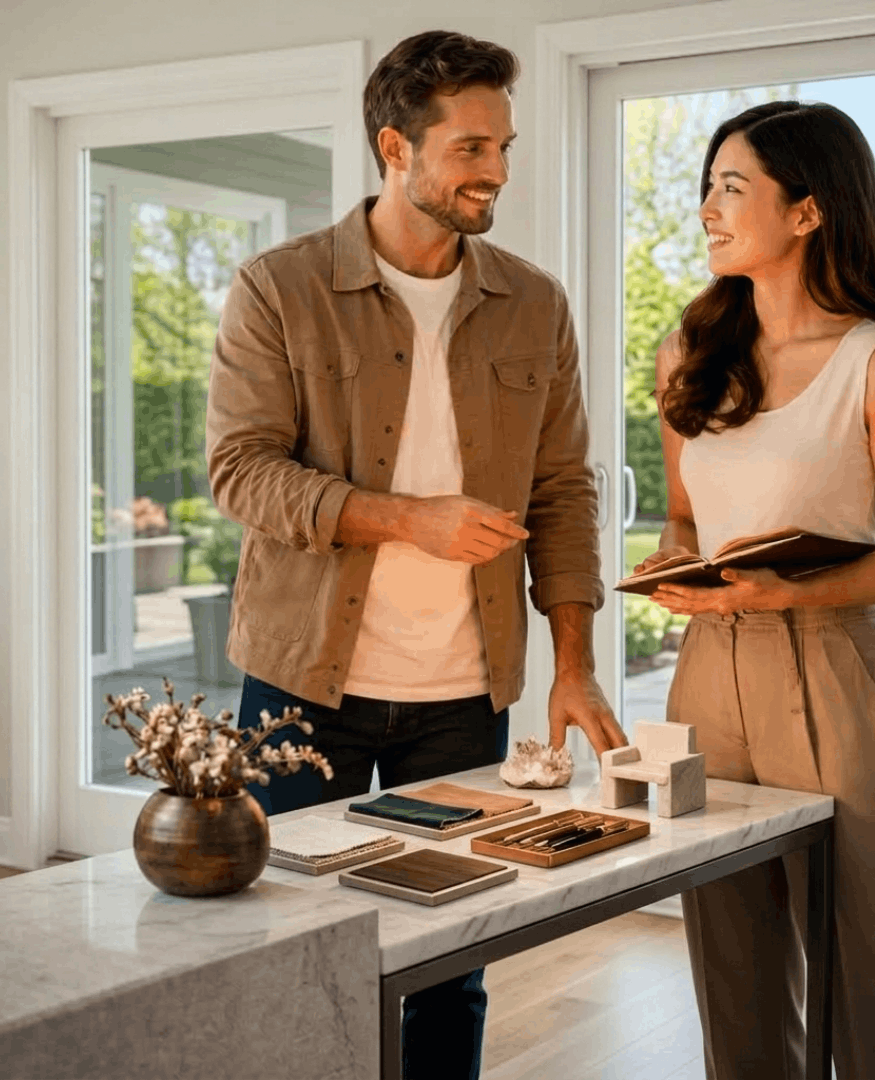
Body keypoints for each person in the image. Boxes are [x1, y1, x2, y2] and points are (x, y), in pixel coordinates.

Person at [205, 29, 625, 1080]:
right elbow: (240, 473)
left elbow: (563, 490)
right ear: (397, 147)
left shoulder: (534, 303)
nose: (497, 172)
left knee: (454, 957)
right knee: (296, 947)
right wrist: (408, 518)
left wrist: (571, 662)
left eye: (505, 146)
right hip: (301, 687)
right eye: (472, 147)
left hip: (463, 695)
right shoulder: (281, 290)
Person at [637, 101, 875, 1079]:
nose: (707, 207)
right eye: (705, 186)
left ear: (809, 210)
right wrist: (670, 562)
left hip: (833, 671)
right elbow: (687, 522)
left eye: (731, 187)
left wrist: (780, 597)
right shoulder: (687, 359)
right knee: (731, 973)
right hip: (706, 683)